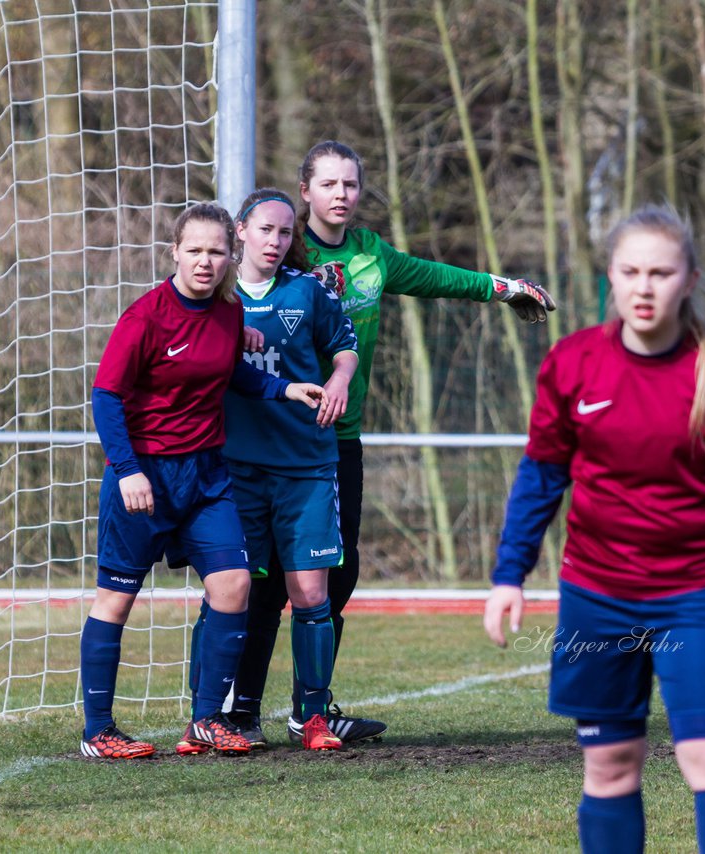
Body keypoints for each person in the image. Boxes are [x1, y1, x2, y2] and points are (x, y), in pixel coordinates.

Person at [483, 204, 705, 853]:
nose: (645, 286)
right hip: (598, 596)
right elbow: (541, 477)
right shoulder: (572, 364)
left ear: (689, 279)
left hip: (702, 597)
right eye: (631, 271)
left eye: (660, 272)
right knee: (609, 768)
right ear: (611, 278)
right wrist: (509, 574)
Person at [233, 140, 557, 745]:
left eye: (351, 185)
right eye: (328, 184)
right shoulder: (280, 248)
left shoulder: (370, 255)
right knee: (265, 582)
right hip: (265, 443)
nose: (341, 195)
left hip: (335, 442)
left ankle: (312, 707)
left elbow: (435, 277)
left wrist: (502, 286)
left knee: (339, 573)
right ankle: (237, 709)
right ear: (305, 192)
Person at [80, 202, 324, 759]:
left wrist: (285, 388)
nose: (206, 261)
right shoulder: (144, 318)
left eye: (217, 251)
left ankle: (206, 721)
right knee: (115, 601)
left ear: (230, 255)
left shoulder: (228, 314)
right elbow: (107, 396)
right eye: (195, 250)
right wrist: (128, 471)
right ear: (175, 252)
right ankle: (98, 731)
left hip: (208, 475)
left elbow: (230, 373)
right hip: (145, 478)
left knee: (234, 585)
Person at [204, 188, 360, 751]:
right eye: (265, 230)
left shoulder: (308, 292)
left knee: (312, 594)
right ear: (240, 231)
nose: (276, 241)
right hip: (234, 469)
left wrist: (340, 380)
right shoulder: (212, 298)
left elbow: (345, 347)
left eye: (286, 233)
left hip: (306, 464)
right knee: (231, 592)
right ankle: (219, 714)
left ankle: (311, 718)